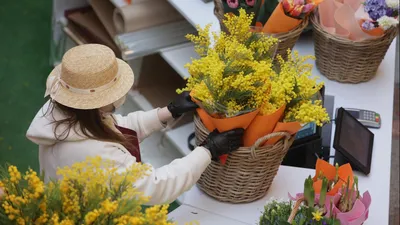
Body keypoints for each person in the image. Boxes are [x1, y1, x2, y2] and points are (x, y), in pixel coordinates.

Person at [26, 44, 244, 205]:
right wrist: (207, 150)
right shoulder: (94, 154)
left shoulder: (63, 111)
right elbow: (156, 185)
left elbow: (117, 128)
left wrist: (167, 112)